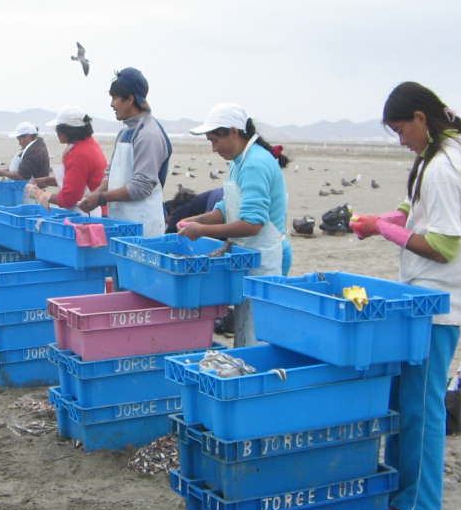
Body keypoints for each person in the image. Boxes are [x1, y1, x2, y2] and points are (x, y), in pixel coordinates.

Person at [349, 82, 461, 510]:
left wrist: (385, 230)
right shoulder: (449, 149)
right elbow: (418, 208)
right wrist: (387, 219)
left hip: (440, 299)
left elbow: (442, 246)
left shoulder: (443, 165)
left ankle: (419, 502)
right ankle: (401, 488)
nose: (401, 141)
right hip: (428, 297)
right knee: (408, 398)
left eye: (402, 130)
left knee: (421, 404)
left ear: (421, 118)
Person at [176, 102, 288, 347]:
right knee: (245, 333)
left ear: (235, 132)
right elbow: (228, 208)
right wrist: (196, 220)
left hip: (264, 260)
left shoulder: (255, 164)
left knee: (256, 338)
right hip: (248, 256)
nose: (214, 148)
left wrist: (202, 231)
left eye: (216, 140)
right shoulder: (240, 162)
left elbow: (252, 224)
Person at [76, 67, 172, 236]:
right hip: (122, 222)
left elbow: (141, 187)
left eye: (115, 98)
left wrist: (101, 198)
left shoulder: (148, 134)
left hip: (144, 227)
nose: (112, 104)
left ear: (130, 99)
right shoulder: (124, 132)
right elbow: (110, 174)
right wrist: (95, 195)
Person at [28, 106, 107, 215]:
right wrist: (47, 181)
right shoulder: (89, 144)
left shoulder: (78, 154)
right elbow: (77, 181)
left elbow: (69, 199)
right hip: (100, 209)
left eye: (57, 128)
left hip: (92, 214)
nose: (56, 132)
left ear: (67, 131)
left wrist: (42, 195)